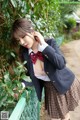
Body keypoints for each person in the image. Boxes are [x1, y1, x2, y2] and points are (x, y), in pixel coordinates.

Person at [12, 18, 80, 120]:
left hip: (64, 81)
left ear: (32, 31)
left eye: (23, 37)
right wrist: (22, 84)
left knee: (65, 116)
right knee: (57, 117)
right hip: (50, 89)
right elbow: (29, 76)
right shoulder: (24, 54)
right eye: (18, 40)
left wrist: (44, 46)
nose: (21, 42)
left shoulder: (50, 43)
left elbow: (61, 64)